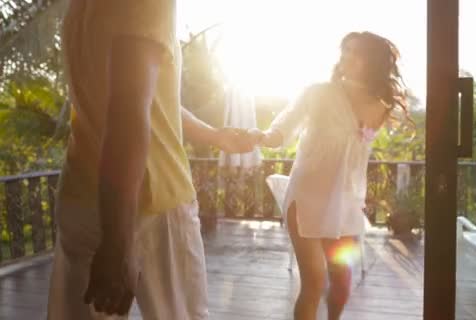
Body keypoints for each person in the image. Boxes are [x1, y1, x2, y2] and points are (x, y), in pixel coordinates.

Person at [47, 1, 256, 319]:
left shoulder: (82, 7)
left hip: (82, 198)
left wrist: (213, 135)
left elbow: (146, 97)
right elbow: (128, 113)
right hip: (148, 204)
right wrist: (118, 242)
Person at [251, 31, 412, 320]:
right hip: (306, 200)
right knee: (313, 283)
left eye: (356, 52)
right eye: (345, 50)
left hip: (346, 206)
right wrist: (261, 136)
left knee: (341, 287)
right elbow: (282, 130)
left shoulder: (382, 106)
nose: (346, 57)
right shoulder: (318, 93)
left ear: (373, 61)